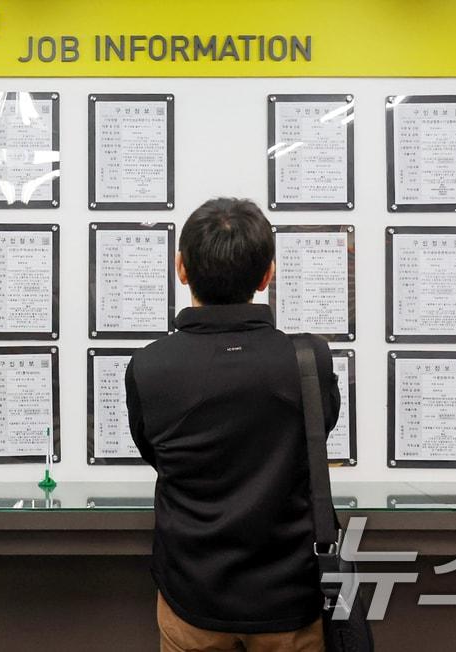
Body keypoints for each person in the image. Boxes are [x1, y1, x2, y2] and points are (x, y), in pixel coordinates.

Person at [125, 197, 340, 652]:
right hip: (289, 599)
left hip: (191, 595)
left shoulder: (150, 367)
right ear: (267, 275)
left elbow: (154, 452)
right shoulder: (309, 361)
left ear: (181, 268)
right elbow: (316, 440)